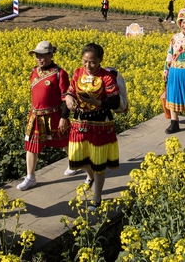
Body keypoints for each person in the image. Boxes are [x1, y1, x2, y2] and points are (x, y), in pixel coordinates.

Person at [65, 43, 120, 211]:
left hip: (100, 123)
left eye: (92, 62)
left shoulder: (106, 77)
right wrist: (68, 98)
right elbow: (71, 91)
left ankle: (97, 198)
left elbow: (115, 101)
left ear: (100, 61)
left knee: (98, 162)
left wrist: (95, 102)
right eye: (85, 61)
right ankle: (90, 177)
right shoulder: (77, 72)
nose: (88, 66)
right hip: (80, 122)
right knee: (76, 157)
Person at [16, 41, 75, 191]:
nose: (39, 59)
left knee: (65, 143)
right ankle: (30, 177)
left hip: (55, 115)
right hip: (35, 116)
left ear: (50, 54)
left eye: (43, 55)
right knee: (31, 146)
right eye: (37, 56)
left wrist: (64, 117)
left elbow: (65, 97)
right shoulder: (34, 71)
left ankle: (74, 162)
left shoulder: (59, 73)